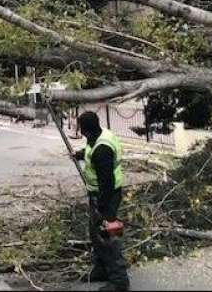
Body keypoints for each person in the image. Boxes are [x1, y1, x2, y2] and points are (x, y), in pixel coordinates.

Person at [74, 112, 130, 291]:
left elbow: (108, 182)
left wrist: (102, 208)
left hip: (106, 195)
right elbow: (92, 152)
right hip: (98, 194)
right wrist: (81, 154)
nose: (81, 132)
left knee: (106, 236)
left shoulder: (102, 149)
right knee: (95, 234)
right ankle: (101, 269)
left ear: (85, 130)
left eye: (81, 129)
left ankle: (120, 281)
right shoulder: (100, 136)